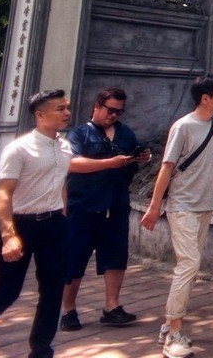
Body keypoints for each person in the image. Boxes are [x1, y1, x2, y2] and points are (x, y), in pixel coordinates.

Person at [141, 75, 213, 358]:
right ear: (205, 98)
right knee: (189, 264)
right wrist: (155, 207)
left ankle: (168, 325)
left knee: (190, 268)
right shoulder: (182, 126)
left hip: (204, 205)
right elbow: (167, 169)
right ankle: (174, 334)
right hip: (181, 206)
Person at [59, 87, 151, 331]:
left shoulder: (125, 133)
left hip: (116, 203)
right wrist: (110, 163)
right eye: (110, 110)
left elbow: (134, 155)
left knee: (115, 257)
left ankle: (112, 306)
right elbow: (72, 163)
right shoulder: (79, 134)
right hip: (84, 205)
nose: (114, 115)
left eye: (119, 112)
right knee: (75, 257)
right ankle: (68, 310)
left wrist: (141, 157)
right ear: (97, 107)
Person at [0, 89, 73, 358]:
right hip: (21, 226)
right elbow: (4, 193)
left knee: (52, 289)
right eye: (59, 109)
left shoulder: (64, 145)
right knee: (7, 291)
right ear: (40, 115)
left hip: (53, 226)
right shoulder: (19, 149)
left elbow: (60, 181)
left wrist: (62, 213)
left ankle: (41, 349)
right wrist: (8, 236)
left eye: (66, 107)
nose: (67, 113)